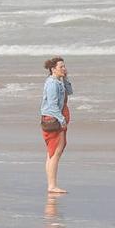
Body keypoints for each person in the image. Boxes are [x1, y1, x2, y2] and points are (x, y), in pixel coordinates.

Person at [39, 56, 72, 194]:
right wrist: (61, 120)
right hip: (54, 120)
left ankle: (51, 184)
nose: (64, 69)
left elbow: (70, 91)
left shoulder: (58, 81)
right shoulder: (52, 83)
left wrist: (65, 78)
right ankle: (52, 185)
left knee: (52, 153)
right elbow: (52, 105)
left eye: (64, 66)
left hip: (56, 119)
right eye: (61, 67)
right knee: (55, 153)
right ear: (53, 69)